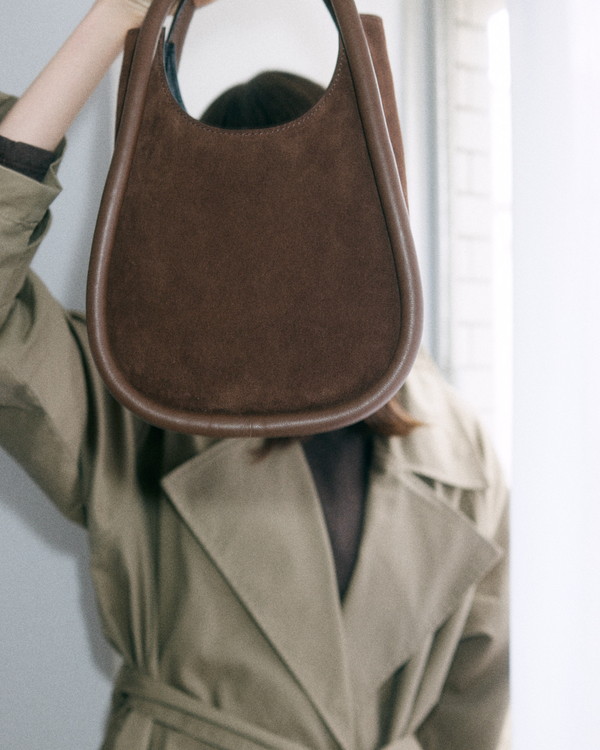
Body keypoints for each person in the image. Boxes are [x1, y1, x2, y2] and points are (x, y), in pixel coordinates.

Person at [0, 1, 509, 748]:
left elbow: (474, 708)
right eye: (237, 224)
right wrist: (115, 21)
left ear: (366, 217)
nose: (273, 257)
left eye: (305, 214)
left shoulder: (460, 450)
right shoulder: (133, 402)